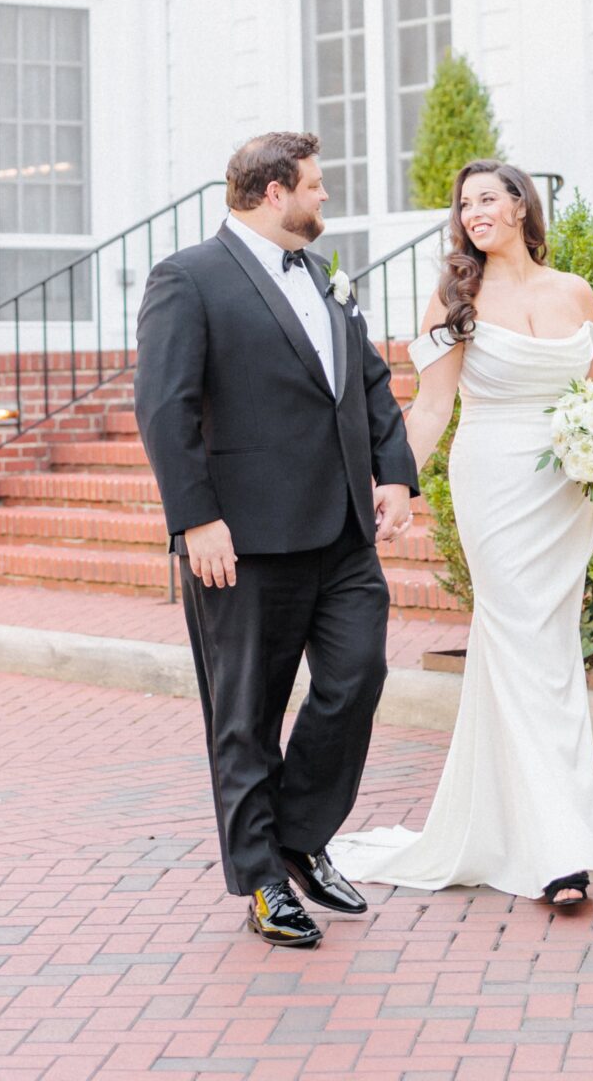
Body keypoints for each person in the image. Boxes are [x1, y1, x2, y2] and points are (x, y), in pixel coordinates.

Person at [133, 130, 420, 948]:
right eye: (315, 185)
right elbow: (164, 408)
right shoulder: (187, 279)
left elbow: (365, 381)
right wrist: (195, 520)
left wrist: (394, 473)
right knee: (246, 716)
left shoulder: (323, 276)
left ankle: (296, 834)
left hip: (340, 533)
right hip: (243, 539)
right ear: (272, 192)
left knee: (355, 678)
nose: (324, 197)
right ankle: (262, 879)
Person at [329, 159, 593, 909]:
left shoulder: (573, 292)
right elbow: (429, 409)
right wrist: (397, 485)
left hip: (565, 494)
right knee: (518, 637)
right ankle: (559, 852)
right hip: (493, 482)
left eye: (488, 198)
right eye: (464, 203)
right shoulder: (455, 296)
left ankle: (533, 825)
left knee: (548, 651)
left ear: (521, 206)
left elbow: (592, 400)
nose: (473, 211)